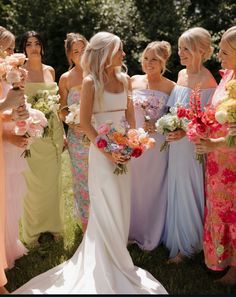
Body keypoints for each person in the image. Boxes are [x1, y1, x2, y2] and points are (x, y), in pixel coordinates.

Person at [13, 31, 168, 294]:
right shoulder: (90, 82)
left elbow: (130, 118)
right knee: (105, 205)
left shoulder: (124, 79)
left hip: (124, 151)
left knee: (121, 204)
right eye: (119, 50)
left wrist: (133, 141)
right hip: (102, 152)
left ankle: (118, 255)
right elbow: (85, 123)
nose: (123, 55)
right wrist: (107, 150)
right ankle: (105, 262)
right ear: (106, 53)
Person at [163, 27, 217, 264]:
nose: (181, 53)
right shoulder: (182, 75)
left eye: (186, 48)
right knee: (174, 186)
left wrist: (184, 131)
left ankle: (189, 245)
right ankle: (174, 239)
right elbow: (174, 109)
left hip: (192, 145)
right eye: (180, 48)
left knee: (189, 189)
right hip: (176, 145)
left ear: (201, 51)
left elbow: (209, 120)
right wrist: (170, 126)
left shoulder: (208, 80)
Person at [195, 26, 236, 286]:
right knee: (219, 210)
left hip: (231, 158)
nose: (219, 55)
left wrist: (215, 143)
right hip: (216, 161)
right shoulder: (228, 76)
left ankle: (235, 269)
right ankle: (221, 258)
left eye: (224, 52)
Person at [128, 41, 175, 250]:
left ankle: (153, 232)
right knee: (133, 186)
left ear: (163, 61)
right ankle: (131, 231)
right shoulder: (133, 81)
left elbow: (173, 118)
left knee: (154, 187)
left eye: (154, 59)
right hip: (135, 140)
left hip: (157, 145)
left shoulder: (171, 86)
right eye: (146, 58)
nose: (148, 63)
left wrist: (157, 125)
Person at [20, 31, 65, 246]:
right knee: (32, 185)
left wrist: (63, 132)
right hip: (30, 135)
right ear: (24, 48)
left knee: (51, 184)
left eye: (37, 43)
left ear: (43, 47)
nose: (34, 48)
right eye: (29, 44)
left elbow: (55, 106)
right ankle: (32, 233)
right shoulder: (19, 72)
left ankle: (54, 227)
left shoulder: (50, 71)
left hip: (52, 135)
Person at [0, 26, 29, 294]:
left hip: (4, 148)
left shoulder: (6, 76)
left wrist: (21, 117)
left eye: (10, 49)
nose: (10, 54)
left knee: (7, 203)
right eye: (5, 48)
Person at [59, 33, 89, 233]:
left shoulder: (98, 73)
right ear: (70, 55)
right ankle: (87, 223)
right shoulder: (66, 78)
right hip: (77, 138)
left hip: (98, 135)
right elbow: (61, 109)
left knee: (100, 179)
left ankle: (105, 220)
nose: (80, 54)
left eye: (83, 50)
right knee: (81, 181)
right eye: (75, 52)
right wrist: (71, 121)